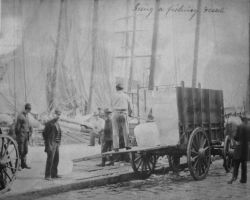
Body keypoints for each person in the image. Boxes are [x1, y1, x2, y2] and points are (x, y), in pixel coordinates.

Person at [111, 83, 132, 152]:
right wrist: (130, 113)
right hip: (124, 113)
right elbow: (130, 107)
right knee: (126, 130)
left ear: (116, 89)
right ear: (122, 89)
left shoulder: (113, 96)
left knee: (115, 130)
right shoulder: (126, 96)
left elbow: (111, 106)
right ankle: (128, 146)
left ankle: (116, 147)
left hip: (115, 113)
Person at [228, 117, 249, 184]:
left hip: (239, 148)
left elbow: (236, 137)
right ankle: (243, 179)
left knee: (236, 164)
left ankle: (234, 177)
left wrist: (233, 137)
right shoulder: (248, 127)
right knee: (244, 165)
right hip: (245, 149)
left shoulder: (240, 127)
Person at [43, 109, 62, 181]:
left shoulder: (57, 123)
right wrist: (48, 145)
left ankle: (54, 174)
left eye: (59, 115)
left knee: (56, 159)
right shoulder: (49, 123)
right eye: (57, 114)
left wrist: (59, 143)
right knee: (50, 160)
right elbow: (44, 134)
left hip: (56, 144)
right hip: (51, 144)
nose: (58, 116)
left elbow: (59, 133)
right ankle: (47, 175)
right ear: (53, 114)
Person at [15, 103, 32, 169]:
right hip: (21, 136)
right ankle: (18, 165)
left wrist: (30, 132)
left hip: (26, 136)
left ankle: (23, 164)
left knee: (25, 150)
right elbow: (17, 128)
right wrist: (18, 136)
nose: (29, 111)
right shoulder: (20, 116)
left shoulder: (27, 116)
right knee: (20, 150)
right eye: (29, 109)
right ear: (26, 109)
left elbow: (29, 125)